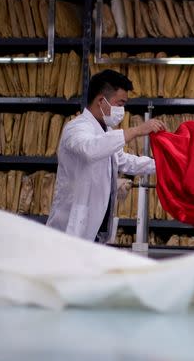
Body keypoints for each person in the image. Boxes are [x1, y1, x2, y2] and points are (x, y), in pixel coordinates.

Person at [47, 69, 166, 242]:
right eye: (120, 103)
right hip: (73, 226)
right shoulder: (76, 128)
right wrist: (137, 130)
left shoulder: (106, 130)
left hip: (97, 225)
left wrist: (164, 164)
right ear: (101, 101)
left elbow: (124, 161)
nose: (122, 110)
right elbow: (90, 149)